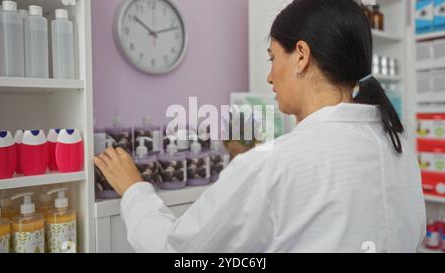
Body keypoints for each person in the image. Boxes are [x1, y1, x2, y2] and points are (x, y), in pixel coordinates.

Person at [94, 0, 426, 252]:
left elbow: (178, 251)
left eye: (272, 57)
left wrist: (135, 190)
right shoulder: (397, 145)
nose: (269, 75)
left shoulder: (274, 163)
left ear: (300, 55)